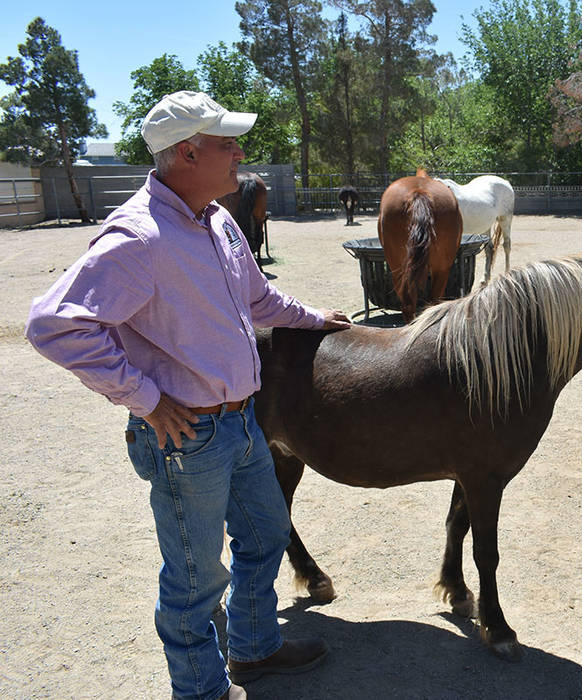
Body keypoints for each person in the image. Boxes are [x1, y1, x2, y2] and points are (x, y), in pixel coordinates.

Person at [25, 91, 353, 700]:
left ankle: (254, 648)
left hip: (240, 422)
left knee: (265, 536)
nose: (241, 154)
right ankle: (200, 690)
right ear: (186, 153)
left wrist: (314, 317)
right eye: (226, 144)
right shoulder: (139, 238)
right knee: (196, 579)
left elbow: (257, 299)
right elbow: (54, 325)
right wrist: (144, 398)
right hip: (185, 437)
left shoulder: (219, 219)